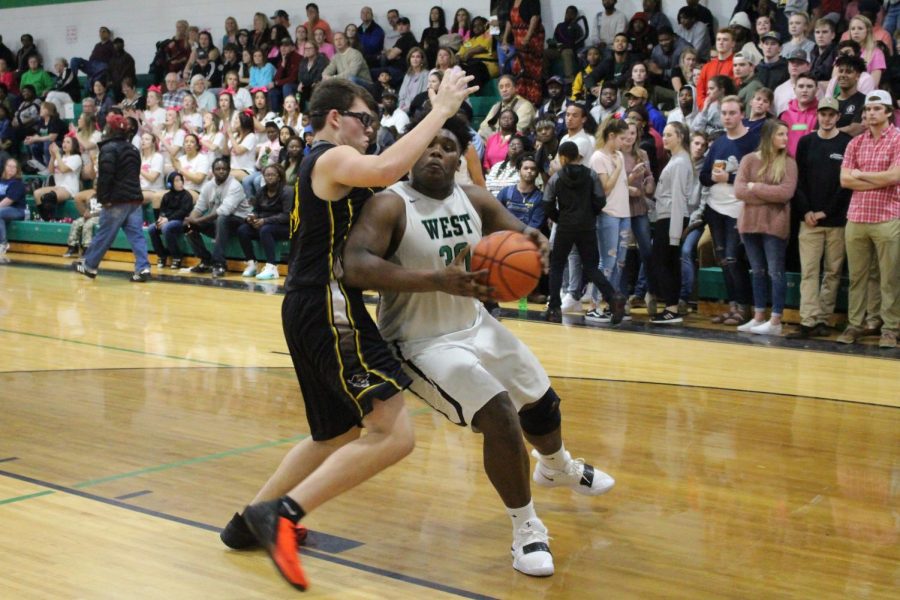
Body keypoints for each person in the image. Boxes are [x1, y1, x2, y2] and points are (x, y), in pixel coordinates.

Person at [218, 71, 477, 591]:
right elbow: (387, 165)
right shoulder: (329, 156)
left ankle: (248, 521)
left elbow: (393, 172)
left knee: (335, 434)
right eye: (364, 119)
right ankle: (284, 513)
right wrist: (441, 111)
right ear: (335, 118)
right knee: (394, 434)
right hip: (327, 304)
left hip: (308, 304)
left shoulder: (330, 165)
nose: (369, 130)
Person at [341, 114, 614, 577]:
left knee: (542, 403)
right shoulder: (390, 205)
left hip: (474, 324)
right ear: (411, 150)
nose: (434, 152)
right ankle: (526, 529)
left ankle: (556, 466)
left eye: (446, 146)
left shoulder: (475, 199)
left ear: (460, 157)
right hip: (420, 341)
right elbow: (355, 265)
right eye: (427, 143)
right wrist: (435, 279)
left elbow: (516, 236)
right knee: (501, 414)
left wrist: (533, 243)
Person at [838, 90, 900, 349]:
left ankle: (891, 328)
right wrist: (877, 177)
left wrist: (861, 175)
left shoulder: (898, 139)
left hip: (888, 216)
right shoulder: (855, 143)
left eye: (877, 109)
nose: (870, 113)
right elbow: (844, 180)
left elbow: (895, 177)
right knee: (858, 276)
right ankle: (856, 323)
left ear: (888, 112)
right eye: (868, 110)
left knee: (890, 277)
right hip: (857, 216)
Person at [787, 97, 852, 339]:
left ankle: (824, 318)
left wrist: (828, 211)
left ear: (837, 117)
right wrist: (806, 211)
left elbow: (845, 186)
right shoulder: (806, 142)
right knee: (810, 272)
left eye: (831, 115)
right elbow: (798, 181)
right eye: (823, 114)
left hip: (836, 221)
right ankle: (808, 320)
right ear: (818, 116)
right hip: (809, 220)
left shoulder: (847, 143)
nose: (826, 118)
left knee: (833, 272)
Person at [545, 139, 624, 324]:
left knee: (556, 266)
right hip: (587, 226)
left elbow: (547, 203)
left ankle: (555, 308)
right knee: (591, 267)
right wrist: (590, 214)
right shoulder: (591, 175)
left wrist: (559, 217)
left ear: (563, 157)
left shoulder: (556, 177)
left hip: (565, 226)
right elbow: (600, 200)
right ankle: (613, 297)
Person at [732, 118, 798, 336]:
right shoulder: (749, 160)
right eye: (780, 134)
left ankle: (776, 319)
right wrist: (765, 193)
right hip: (749, 223)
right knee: (758, 271)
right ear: (768, 136)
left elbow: (785, 193)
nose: (785, 138)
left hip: (775, 225)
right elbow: (739, 191)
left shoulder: (788, 162)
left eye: (786, 134)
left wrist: (756, 187)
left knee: (775, 271)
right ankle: (759, 315)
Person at [700, 96, 759, 326]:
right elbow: (703, 176)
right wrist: (714, 178)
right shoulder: (718, 143)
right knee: (723, 259)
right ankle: (733, 305)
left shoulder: (752, 142)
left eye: (732, 113)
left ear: (742, 114)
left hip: (738, 208)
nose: (727, 117)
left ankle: (745, 307)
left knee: (735, 259)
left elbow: (758, 177)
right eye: (724, 113)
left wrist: (731, 177)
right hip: (715, 207)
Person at [73, 113, 151, 282]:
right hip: (135, 199)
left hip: (116, 200)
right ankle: (143, 268)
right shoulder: (133, 149)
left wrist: (103, 198)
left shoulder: (108, 149)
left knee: (104, 234)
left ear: (110, 129)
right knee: (136, 235)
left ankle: (90, 266)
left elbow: (106, 177)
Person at [649, 122, 693, 324]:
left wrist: (674, 234)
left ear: (680, 137)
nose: (664, 138)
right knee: (668, 263)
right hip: (666, 216)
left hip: (670, 218)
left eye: (669, 135)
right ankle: (671, 307)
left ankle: (671, 308)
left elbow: (678, 198)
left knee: (664, 263)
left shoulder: (680, 163)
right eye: (664, 135)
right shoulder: (676, 160)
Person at [183, 156, 251, 277]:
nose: (221, 171)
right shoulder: (208, 186)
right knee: (188, 226)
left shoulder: (235, 186)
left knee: (222, 218)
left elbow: (223, 211)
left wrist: (197, 220)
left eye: (224, 169)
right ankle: (205, 261)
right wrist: (191, 219)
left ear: (229, 170)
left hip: (238, 223)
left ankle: (219, 264)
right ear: (213, 171)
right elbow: (199, 207)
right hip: (218, 224)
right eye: (218, 169)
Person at [237, 163, 291, 280]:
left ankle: (272, 267)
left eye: (272, 175)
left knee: (266, 229)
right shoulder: (261, 191)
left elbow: (287, 216)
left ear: (279, 177)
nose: (269, 177)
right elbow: (257, 210)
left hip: (285, 227)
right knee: (243, 229)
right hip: (265, 224)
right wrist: (252, 217)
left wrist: (264, 221)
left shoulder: (287, 191)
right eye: (267, 175)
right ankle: (252, 264)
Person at [501, 0, 545, 105]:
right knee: (519, 69)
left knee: (532, 69)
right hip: (518, 38)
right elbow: (509, 21)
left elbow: (535, 17)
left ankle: (534, 101)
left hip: (532, 37)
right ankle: (520, 99)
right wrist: (505, 39)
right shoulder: (511, 2)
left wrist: (528, 36)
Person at [148, 172, 193, 269]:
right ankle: (162, 255)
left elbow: (183, 212)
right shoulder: (166, 196)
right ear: (170, 183)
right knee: (152, 228)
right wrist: (160, 218)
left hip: (182, 222)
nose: (180, 182)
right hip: (168, 220)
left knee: (166, 228)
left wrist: (167, 219)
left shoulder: (187, 195)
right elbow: (163, 211)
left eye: (181, 180)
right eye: (176, 181)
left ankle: (177, 257)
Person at [33, 135, 82, 221]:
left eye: (68, 142)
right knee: (37, 193)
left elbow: (63, 169)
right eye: (63, 142)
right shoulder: (60, 157)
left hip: (69, 189)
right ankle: (45, 218)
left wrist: (57, 154)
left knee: (49, 197)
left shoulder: (76, 158)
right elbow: (51, 171)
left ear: (74, 145)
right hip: (58, 187)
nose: (64, 144)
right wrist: (52, 156)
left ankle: (50, 219)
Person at [779, 72, 819, 157]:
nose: (805, 90)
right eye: (801, 86)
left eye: (809, 86)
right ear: (794, 89)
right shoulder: (784, 115)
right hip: (786, 162)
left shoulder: (821, 114)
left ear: (816, 90)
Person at [696, 29, 736, 110]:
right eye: (718, 39)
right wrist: (705, 107)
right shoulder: (707, 66)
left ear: (733, 43)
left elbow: (735, 89)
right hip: (706, 110)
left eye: (725, 40)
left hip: (727, 109)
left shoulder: (736, 64)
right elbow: (700, 91)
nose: (721, 42)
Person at [0, 157, 25, 260]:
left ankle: (3, 243)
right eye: (9, 166)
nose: (11, 169)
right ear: (5, 167)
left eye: (14, 167)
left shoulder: (17, 183)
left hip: (17, 210)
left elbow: (8, 201)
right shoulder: (1, 181)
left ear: (17, 170)